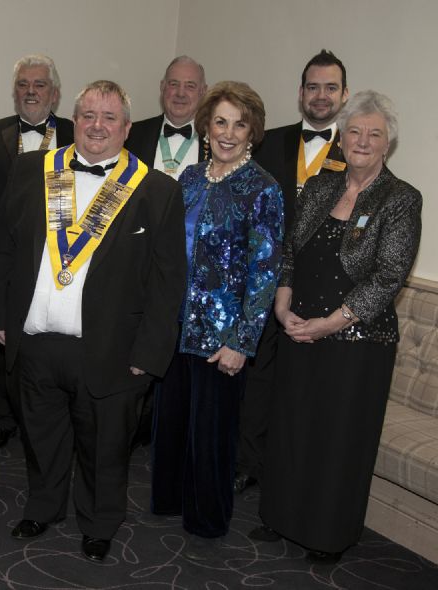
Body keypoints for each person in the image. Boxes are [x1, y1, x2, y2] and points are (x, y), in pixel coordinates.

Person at [0, 80, 186, 562]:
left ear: (127, 127)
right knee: (41, 437)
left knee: (106, 447)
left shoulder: (157, 189)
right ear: (74, 121)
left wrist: (150, 354)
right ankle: (44, 505)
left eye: (109, 117)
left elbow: (168, 281)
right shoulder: (33, 169)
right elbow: (1, 247)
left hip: (113, 350)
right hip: (34, 340)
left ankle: (100, 522)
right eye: (88, 116)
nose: (97, 126)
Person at [251, 90, 421, 564]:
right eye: (355, 131)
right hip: (300, 327)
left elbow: (389, 276)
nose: (363, 141)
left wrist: (329, 324)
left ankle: (327, 535)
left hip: (356, 341)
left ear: (387, 144)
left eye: (375, 134)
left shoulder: (402, 199)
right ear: (341, 139)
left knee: (337, 441)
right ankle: (279, 516)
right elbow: (289, 250)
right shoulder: (321, 187)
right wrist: (283, 308)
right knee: (291, 428)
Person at [150, 81, 283, 553]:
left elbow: (264, 274)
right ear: (206, 126)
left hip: (221, 335)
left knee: (212, 434)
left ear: (253, 132)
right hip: (174, 328)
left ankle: (207, 521)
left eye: (239, 124)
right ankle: (167, 502)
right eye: (221, 121)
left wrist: (242, 342)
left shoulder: (262, 188)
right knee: (169, 425)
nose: (228, 133)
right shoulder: (187, 180)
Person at [236, 49, 350, 494]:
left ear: (344, 95)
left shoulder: (357, 148)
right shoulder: (270, 143)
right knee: (258, 377)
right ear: (301, 93)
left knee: (305, 386)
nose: (320, 96)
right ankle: (249, 462)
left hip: (323, 289)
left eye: (330, 88)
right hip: (264, 279)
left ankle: (292, 470)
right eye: (313, 87)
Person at [0, 54, 74, 450]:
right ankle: (0, 413)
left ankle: (49, 411)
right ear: (14, 91)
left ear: (55, 92)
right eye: (23, 85)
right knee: (1, 331)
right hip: (4, 250)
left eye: (39, 85)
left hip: (60, 250)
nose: (31, 92)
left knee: (48, 333)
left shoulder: (76, 130)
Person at [126, 55, 207, 179]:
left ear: (203, 91)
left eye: (190, 86)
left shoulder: (216, 141)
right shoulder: (131, 135)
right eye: (174, 84)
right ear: (162, 87)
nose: (180, 93)